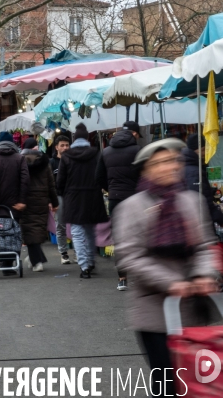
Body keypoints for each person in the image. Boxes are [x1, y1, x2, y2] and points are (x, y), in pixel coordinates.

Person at [114, 138, 217, 397]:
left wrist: (204, 273)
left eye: (173, 160)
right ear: (146, 169)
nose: (169, 166)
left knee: (203, 381)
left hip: (196, 310)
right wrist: (171, 282)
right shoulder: (131, 207)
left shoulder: (192, 201)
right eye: (160, 163)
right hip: (155, 313)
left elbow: (205, 244)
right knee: (167, 385)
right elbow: (130, 257)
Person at [57, 123, 108, 279]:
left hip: (73, 197)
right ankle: (91, 261)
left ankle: (84, 266)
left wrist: (61, 194)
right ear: (87, 138)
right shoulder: (96, 153)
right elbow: (101, 175)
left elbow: (60, 180)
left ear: (74, 139)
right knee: (90, 231)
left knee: (77, 233)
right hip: (92, 196)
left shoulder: (66, 156)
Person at [96, 121, 142, 290]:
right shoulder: (138, 151)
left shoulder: (106, 151)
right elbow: (145, 175)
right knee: (138, 236)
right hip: (136, 198)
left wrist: (111, 189)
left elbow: (98, 176)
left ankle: (122, 278)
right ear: (135, 134)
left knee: (120, 239)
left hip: (115, 198)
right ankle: (140, 275)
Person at [0, 131, 29, 275]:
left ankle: (0, 258)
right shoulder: (20, 158)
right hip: (14, 204)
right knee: (14, 233)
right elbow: (25, 180)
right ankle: (9, 262)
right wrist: (22, 200)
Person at [21, 138, 58, 272]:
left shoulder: (20, 162)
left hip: (25, 200)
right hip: (42, 200)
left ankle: (37, 261)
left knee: (29, 230)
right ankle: (35, 258)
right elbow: (51, 184)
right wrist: (54, 202)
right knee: (37, 228)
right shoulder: (45, 162)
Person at [183, 133, 223, 226]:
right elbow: (203, 202)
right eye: (203, 150)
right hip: (200, 223)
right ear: (195, 150)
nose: (205, 153)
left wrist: (213, 191)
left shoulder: (192, 166)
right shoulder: (194, 171)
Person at [50, 135, 75, 264]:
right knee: (60, 225)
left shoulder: (74, 160)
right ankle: (64, 253)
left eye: (67, 145)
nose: (65, 148)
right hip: (59, 196)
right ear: (56, 147)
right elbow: (48, 183)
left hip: (73, 195)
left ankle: (78, 252)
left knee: (76, 225)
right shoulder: (52, 162)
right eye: (62, 145)